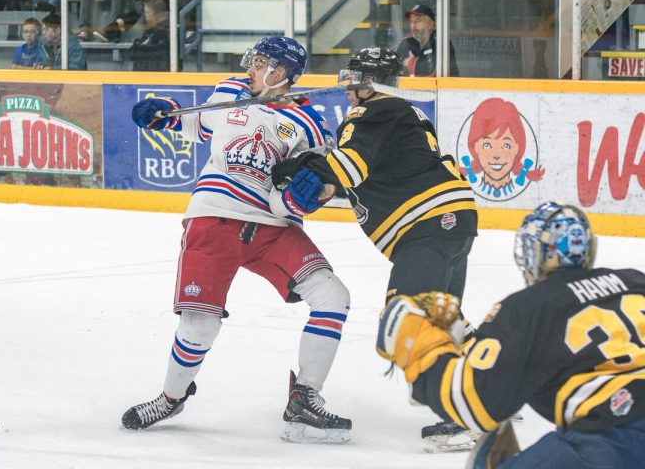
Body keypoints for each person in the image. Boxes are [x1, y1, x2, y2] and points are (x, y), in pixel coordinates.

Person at [122, 36, 353, 444]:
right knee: (199, 325)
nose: (250, 68)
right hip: (215, 217)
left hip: (273, 226)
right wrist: (161, 114)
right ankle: (171, 396)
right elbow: (190, 121)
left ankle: (305, 397)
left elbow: (318, 183)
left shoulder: (310, 123)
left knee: (333, 296)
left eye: (260, 62)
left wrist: (314, 194)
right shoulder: (231, 92)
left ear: (279, 73)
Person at [271, 46, 478, 451]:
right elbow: (364, 175)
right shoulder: (402, 113)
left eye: (354, 80)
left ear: (371, 83)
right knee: (441, 317)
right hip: (450, 221)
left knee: (404, 321)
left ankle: (466, 417)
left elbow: (348, 167)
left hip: (428, 226)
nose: (347, 89)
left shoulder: (374, 112)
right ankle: (493, 381)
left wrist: (298, 166)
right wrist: (319, 172)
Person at [376, 202, 645, 468]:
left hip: (619, 439)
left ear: (534, 253)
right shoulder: (637, 281)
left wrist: (419, 345)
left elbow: (474, 403)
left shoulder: (528, 307)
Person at [395, 4, 459, 77]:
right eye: (412, 22)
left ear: (431, 25)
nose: (413, 26)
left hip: (443, 87)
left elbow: (431, 71)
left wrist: (410, 63)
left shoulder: (441, 42)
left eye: (418, 21)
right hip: (411, 87)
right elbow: (393, 67)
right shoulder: (407, 41)